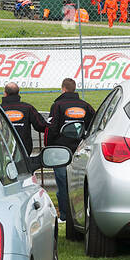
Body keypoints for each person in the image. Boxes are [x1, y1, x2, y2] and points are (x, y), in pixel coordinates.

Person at [46, 78, 95, 223]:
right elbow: (94, 124)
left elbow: (52, 128)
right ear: (74, 89)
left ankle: (65, 216)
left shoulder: (57, 105)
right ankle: (82, 214)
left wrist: (49, 146)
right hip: (80, 150)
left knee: (63, 184)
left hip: (60, 150)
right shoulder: (85, 105)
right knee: (80, 184)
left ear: (63, 89)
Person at [0, 82, 47, 156]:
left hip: (4, 148)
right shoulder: (28, 108)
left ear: (5, 93)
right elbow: (40, 125)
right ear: (18, 93)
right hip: (24, 148)